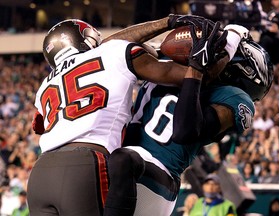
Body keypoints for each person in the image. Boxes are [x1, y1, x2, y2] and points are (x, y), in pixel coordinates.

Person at [27, 15, 230, 216]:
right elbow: (184, 76)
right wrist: (214, 57)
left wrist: (166, 24)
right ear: (86, 40)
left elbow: (41, 125)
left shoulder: (44, 85)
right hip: (83, 164)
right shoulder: (113, 52)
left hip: (40, 176)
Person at [103, 22, 273, 216]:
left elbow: (184, 131)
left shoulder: (234, 97)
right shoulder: (168, 62)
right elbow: (107, 49)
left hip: (159, 176)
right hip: (120, 171)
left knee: (124, 159)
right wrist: (167, 22)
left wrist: (197, 70)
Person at [259, 0, 279, 64]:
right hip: (266, 39)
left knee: (266, 40)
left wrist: (277, 31)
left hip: (278, 46)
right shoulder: (270, 13)